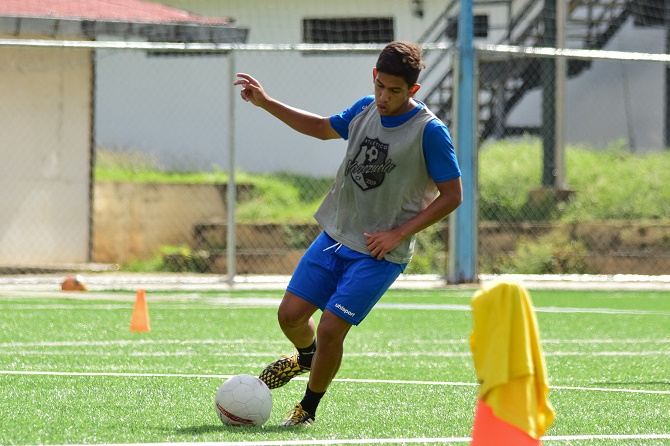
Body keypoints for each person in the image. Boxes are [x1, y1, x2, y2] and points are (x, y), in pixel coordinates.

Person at [233, 41, 463, 426]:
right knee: (290, 316)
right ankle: (305, 358)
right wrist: (266, 102)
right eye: (381, 86)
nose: (385, 97)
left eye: (395, 91)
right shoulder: (364, 109)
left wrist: (397, 234)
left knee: (330, 327)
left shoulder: (430, 132)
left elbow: (453, 195)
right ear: (374, 78)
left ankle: (307, 409)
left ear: (413, 90)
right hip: (336, 235)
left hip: (379, 252)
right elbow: (322, 128)